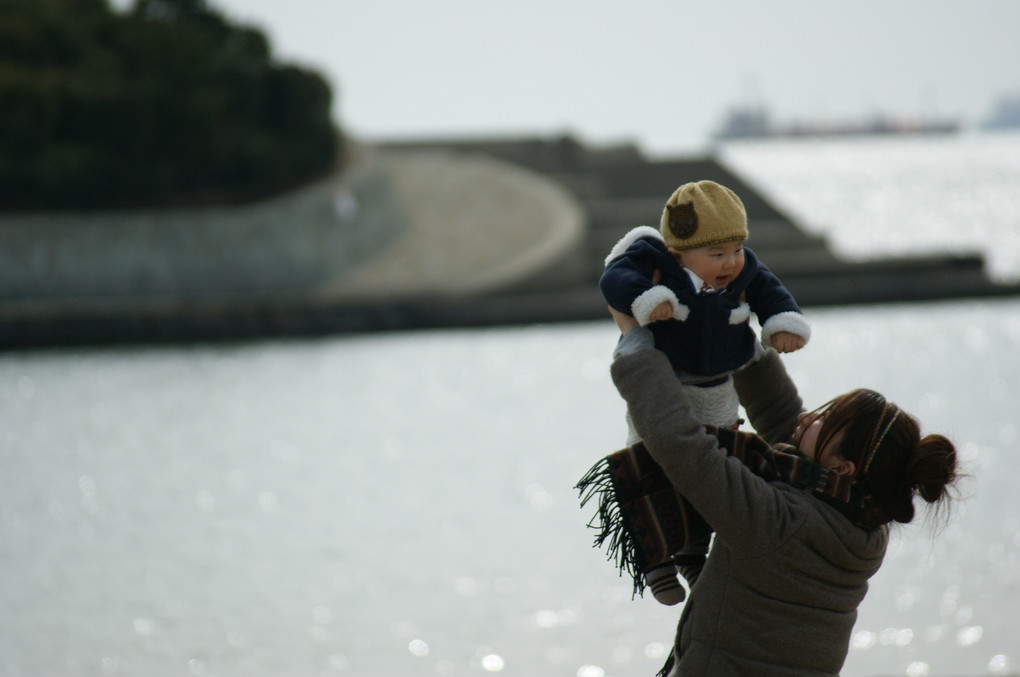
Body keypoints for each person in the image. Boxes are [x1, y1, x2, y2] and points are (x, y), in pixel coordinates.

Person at [607, 312, 960, 677]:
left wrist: (635, 348)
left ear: (841, 468)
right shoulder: (865, 520)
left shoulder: (779, 522)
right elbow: (781, 415)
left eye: (827, 420)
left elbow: (682, 447)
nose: (811, 419)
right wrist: (730, 331)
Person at [599, 179, 811, 604]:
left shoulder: (743, 269)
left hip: (719, 382)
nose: (731, 262)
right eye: (717, 254)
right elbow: (614, 279)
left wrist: (783, 322)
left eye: (735, 249)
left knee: (716, 464)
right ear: (678, 254)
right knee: (653, 463)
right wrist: (647, 298)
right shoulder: (656, 263)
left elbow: (769, 290)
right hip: (667, 376)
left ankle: (694, 553)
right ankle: (655, 562)